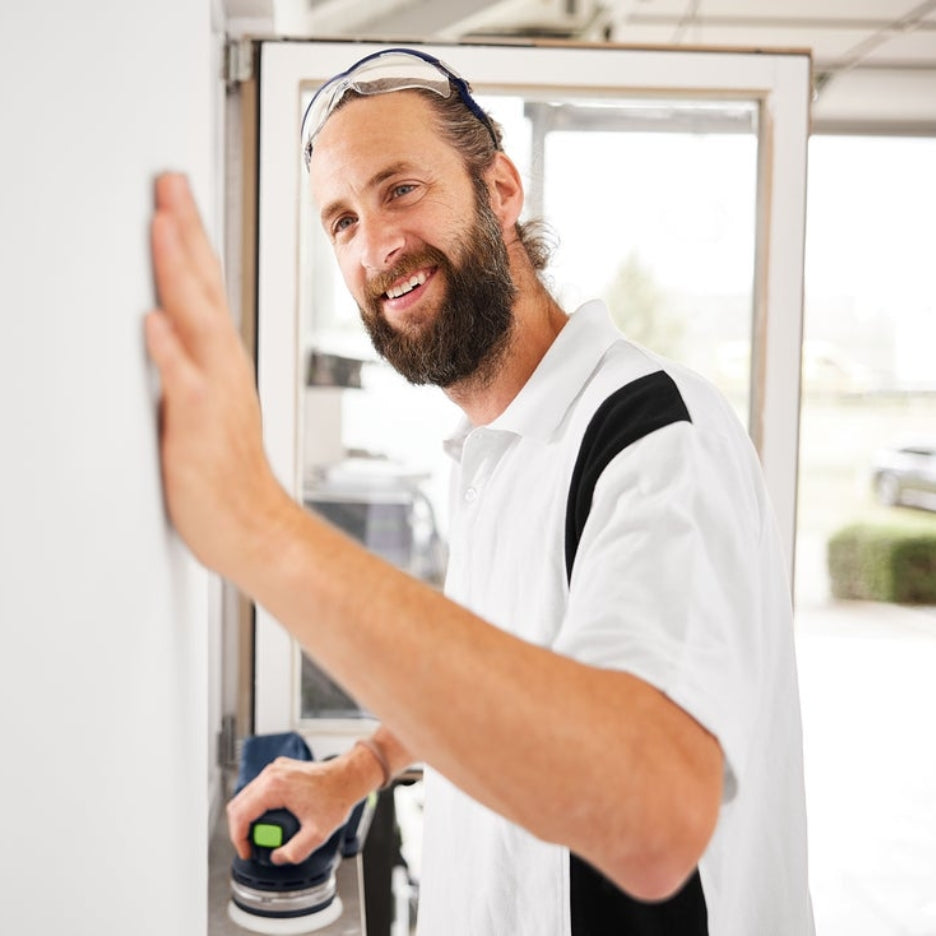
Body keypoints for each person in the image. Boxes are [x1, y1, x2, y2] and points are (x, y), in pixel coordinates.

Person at [145, 47, 814, 935]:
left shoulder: (651, 435)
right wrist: (364, 766)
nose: (376, 246)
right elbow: (512, 676)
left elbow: (653, 815)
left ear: (500, 187)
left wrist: (259, 526)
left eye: (400, 189)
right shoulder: (496, 454)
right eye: (341, 221)